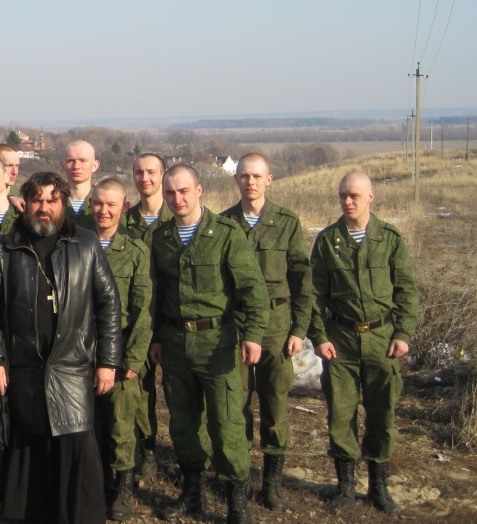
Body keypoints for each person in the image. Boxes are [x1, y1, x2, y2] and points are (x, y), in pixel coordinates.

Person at [0, 171, 122, 524]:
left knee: (76, 441)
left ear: (63, 204)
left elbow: (109, 305)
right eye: (37, 200)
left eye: (52, 200)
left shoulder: (86, 243)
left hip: (73, 366)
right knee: (30, 441)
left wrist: (108, 362)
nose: (44, 207)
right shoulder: (2, 249)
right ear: (25, 203)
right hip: (23, 365)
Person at [148, 165, 269, 524]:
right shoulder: (161, 238)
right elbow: (156, 295)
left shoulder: (226, 233)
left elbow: (253, 290)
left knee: (226, 423)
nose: (177, 199)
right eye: (170, 193)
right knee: (184, 423)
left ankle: (236, 503)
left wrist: (253, 335)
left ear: (199, 190)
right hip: (175, 343)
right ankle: (193, 494)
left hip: (217, 343)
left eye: (184, 191)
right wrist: (156, 337)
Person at [309, 171, 418, 515]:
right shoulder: (328, 240)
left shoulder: (389, 238)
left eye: (354, 195)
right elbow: (314, 295)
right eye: (342, 195)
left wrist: (403, 334)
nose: (347, 201)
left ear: (371, 197)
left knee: (382, 413)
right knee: (341, 413)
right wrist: (319, 336)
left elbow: (406, 289)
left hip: (381, 340)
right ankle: (345, 486)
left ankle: (378, 487)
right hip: (340, 340)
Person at [220, 153, 313, 511]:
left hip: (276, 325)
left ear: (269, 179)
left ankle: (272, 480)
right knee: (236, 403)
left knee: (275, 402)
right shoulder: (224, 223)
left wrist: (299, 329)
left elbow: (301, 279)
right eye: (244, 176)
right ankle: (240, 477)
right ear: (236, 179)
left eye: (257, 176)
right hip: (237, 323)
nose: (250, 182)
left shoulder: (286, 222)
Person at [89, 179, 154, 521]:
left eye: (111, 205)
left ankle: (124, 488)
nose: (104, 211)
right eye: (98, 203)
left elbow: (144, 309)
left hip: (120, 346)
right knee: (89, 422)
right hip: (81, 348)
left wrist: (133, 358)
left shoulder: (136, 251)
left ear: (124, 208)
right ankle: (97, 483)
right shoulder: (77, 243)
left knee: (120, 423)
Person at [124, 152, 172, 482]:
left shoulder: (179, 217)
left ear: (163, 175)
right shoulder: (124, 221)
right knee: (141, 393)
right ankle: (147, 450)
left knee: (180, 395)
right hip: (139, 320)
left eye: (152, 172)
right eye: (139, 172)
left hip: (174, 319)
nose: (145, 178)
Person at [60, 140, 99, 228]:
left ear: (95, 165)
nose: (76, 166)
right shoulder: (51, 201)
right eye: (70, 161)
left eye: (83, 161)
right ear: (62, 165)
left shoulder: (104, 203)